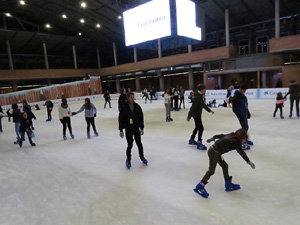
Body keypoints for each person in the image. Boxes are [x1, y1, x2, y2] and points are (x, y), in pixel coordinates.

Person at [193, 129, 255, 198]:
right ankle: (200, 186)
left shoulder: (231, 135)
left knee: (225, 166)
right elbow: (241, 152)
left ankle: (228, 184)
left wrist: (213, 138)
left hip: (216, 152)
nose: (245, 141)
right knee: (211, 171)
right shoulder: (236, 142)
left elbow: (221, 136)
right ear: (241, 138)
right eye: (244, 139)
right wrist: (248, 161)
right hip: (214, 153)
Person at [118, 92, 147, 169]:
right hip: (128, 129)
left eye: (133, 97)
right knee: (130, 145)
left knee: (139, 143)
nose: (132, 98)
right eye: (131, 97)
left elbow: (141, 117)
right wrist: (121, 129)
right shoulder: (124, 108)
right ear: (127, 98)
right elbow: (121, 119)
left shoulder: (137, 107)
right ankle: (128, 160)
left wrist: (142, 127)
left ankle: (142, 156)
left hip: (136, 128)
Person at [187, 84, 214, 150]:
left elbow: (202, 105)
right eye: (205, 90)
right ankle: (199, 143)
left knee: (197, 127)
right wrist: (189, 116)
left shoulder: (198, 95)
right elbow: (193, 107)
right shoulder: (198, 97)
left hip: (196, 114)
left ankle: (192, 139)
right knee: (201, 128)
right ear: (202, 90)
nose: (205, 91)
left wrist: (209, 110)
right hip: (196, 115)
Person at [232, 84, 253, 150]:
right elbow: (234, 108)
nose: (244, 91)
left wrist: (248, 112)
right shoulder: (236, 97)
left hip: (244, 114)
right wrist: (239, 115)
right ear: (240, 89)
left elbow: (245, 106)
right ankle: (240, 142)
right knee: (244, 128)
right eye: (243, 90)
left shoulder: (244, 97)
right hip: (240, 114)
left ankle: (244, 139)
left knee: (246, 127)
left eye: (245, 90)